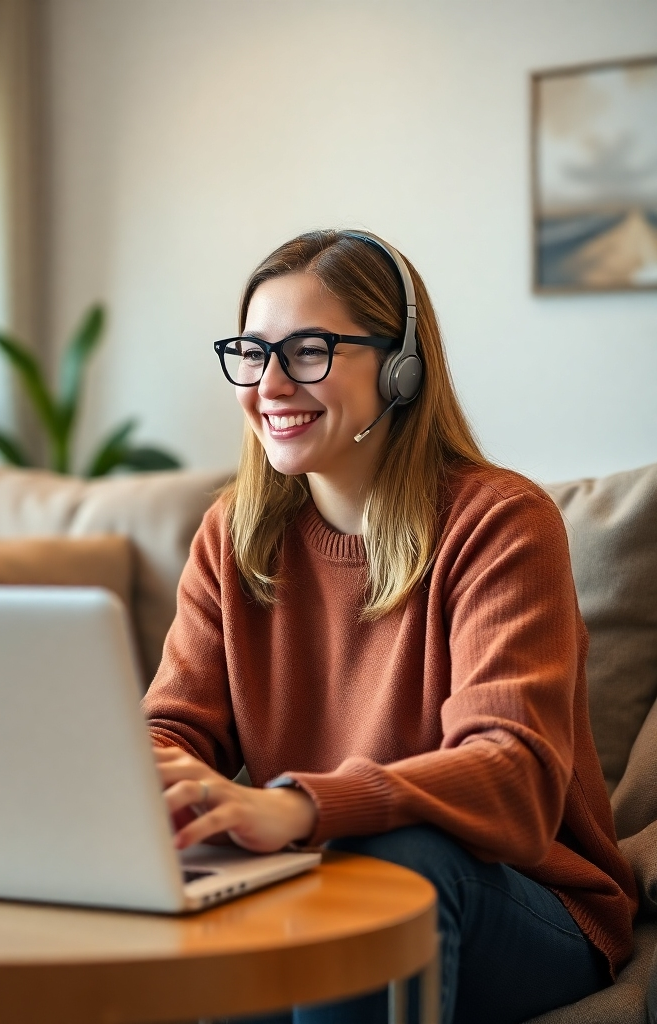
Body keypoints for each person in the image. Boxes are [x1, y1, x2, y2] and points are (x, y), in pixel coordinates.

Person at [143, 229, 637, 1024]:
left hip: (518, 900)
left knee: (386, 866)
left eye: (308, 351)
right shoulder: (232, 534)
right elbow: (170, 726)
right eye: (252, 352)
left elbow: (512, 777)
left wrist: (303, 807)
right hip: (318, 880)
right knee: (228, 898)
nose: (269, 384)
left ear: (401, 366)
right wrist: (159, 785)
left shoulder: (503, 523)